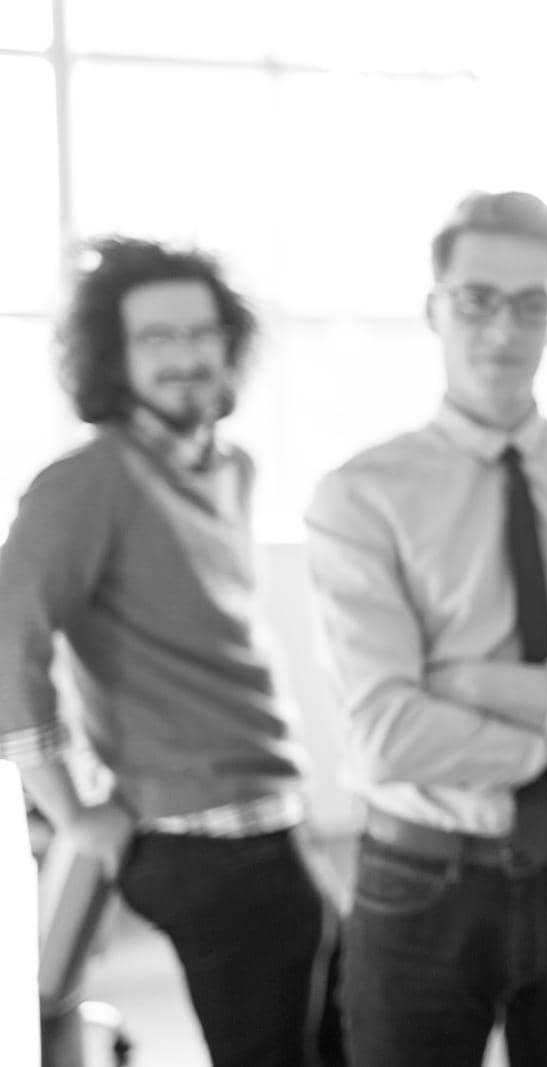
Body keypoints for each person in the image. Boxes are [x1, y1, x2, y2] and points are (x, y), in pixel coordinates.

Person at [304, 190, 547, 1066]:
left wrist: (471, 684)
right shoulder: (360, 497)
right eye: (476, 298)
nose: (501, 328)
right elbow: (386, 734)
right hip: (422, 880)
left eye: (529, 303)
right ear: (434, 307)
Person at [0, 238, 340, 1066]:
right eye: (155, 338)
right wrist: (72, 810)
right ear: (112, 356)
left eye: (200, 333)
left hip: (276, 816)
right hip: (198, 841)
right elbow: (8, 639)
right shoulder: (83, 485)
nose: (185, 356)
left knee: (339, 1029)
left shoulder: (231, 469)